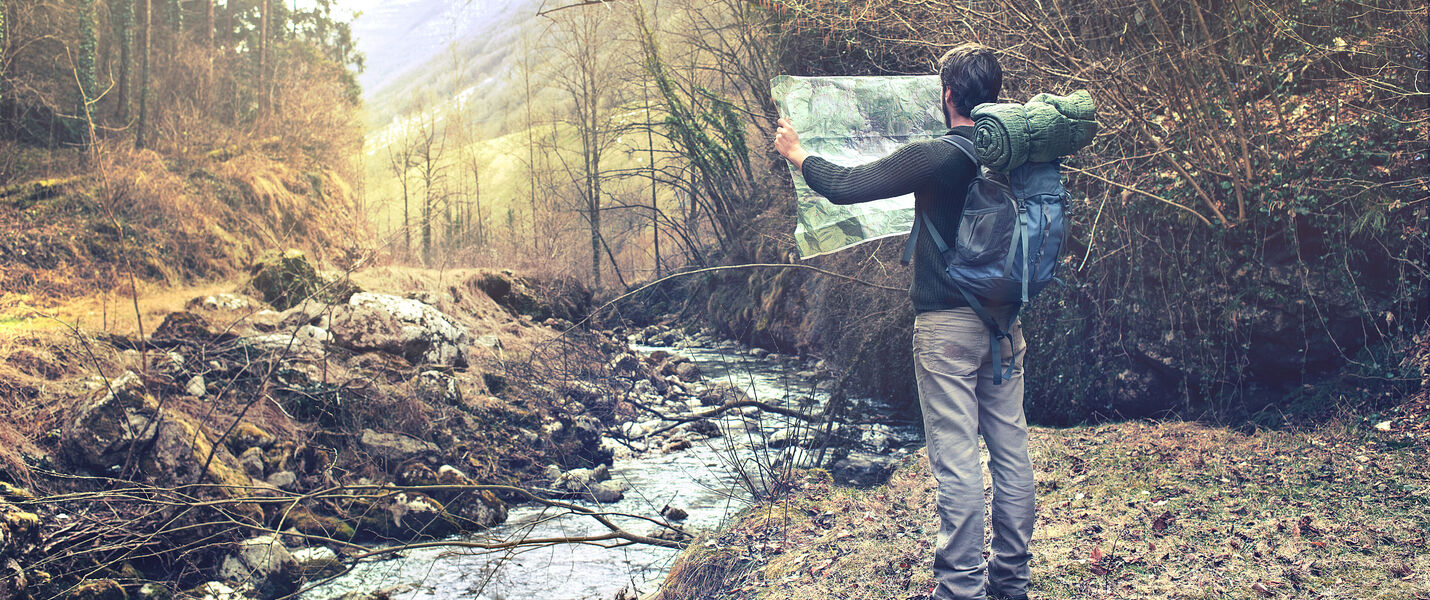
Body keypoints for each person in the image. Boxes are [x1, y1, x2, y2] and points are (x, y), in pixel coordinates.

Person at [773, 43, 1035, 600]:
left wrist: (798, 154)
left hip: (946, 330)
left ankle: (959, 590)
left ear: (946, 96)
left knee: (958, 461)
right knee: (1011, 452)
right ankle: (1010, 584)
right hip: (1005, 324)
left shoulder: (935, 156)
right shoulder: (1011, 155)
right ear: (995, 94)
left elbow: (846, 187)